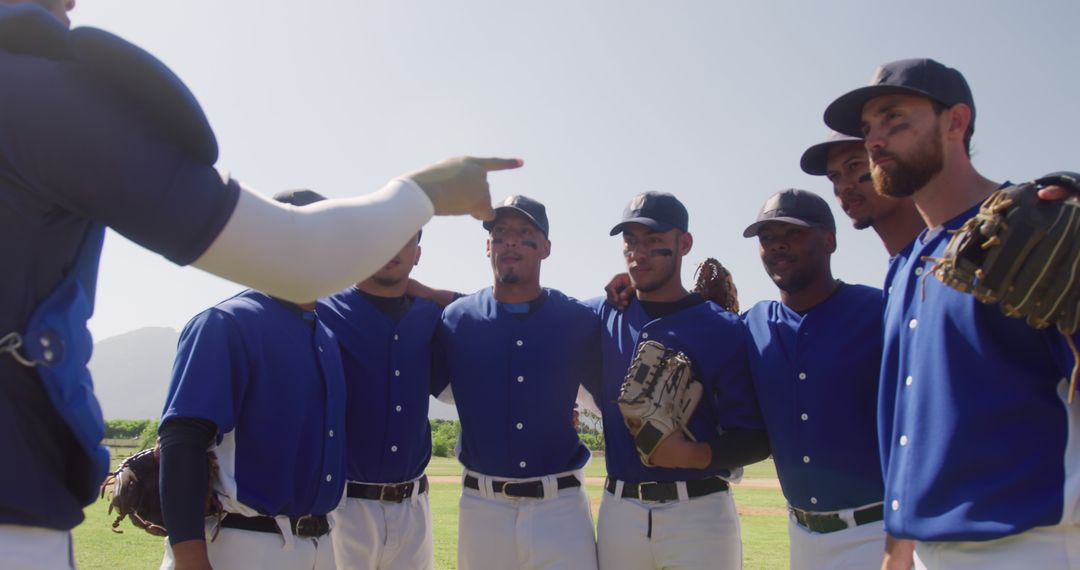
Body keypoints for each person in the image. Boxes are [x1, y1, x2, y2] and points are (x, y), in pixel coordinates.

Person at [0, 2, 519, 565]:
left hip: (314, 539)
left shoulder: (320, 329)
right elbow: (297, 256)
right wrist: (428, 190)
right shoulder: (40, 91)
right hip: (91, 525)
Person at [823, 58, 1080, 568]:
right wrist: (898, 548)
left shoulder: (1036, 230)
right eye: (868, 129)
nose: (875, 141)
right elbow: (905, 423)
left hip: (1029, 544)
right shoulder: (905, 264)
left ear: (955, 122)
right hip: (926, 550)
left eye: (894, 120)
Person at [157, 190, 350, 570]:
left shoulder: (327, 335)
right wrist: (189, 557)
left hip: (321, 544)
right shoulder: (226, 323)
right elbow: (182, 441)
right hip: (241, 542)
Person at [590, 191, 770, 570]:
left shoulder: (723, 328)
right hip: (620, 513)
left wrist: (695, 454)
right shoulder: (603, 314)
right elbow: (529, 306)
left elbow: (755, 436)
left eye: (654, 242)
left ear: (684, 243)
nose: (639, 253)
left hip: (699, 513)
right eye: (631, 242)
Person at [434, 195, 600, 570]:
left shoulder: (577, 319)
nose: (511, 240)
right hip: (482, 508)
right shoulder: (456, 320)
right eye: (501, 232)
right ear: (488, 245)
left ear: (545, 247)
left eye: (525, 232)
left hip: (561, 508)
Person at [741, 188, 897, 569]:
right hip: (802, 535)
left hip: (879, 530)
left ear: (830, 240)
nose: (777, 245)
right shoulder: (751, 325)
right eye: (767, 238)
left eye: (792, 233)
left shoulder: (880, 311)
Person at [319, 221, 441, 570]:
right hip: (342, 506)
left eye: (405, 241)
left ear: (417, 254)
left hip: (413, 508)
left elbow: (485, 317)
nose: (392, 249)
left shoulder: (431, 314)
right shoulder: (323, 311)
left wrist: (435, 295)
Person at [800, 132, 924, 257]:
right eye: (834, 176)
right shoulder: (900, 270)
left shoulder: (942, 249)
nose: (843, 187)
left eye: (854, 165)